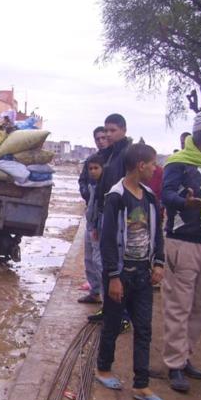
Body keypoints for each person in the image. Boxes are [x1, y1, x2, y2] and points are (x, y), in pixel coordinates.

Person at [95, 143, 166, 400]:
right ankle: (103, 370)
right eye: (153, 163)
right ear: (140, 165)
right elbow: (108, 241)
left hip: (143, 276)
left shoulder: (149, 197)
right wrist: (113, 276)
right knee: (113, 323)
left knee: (144, 329)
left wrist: (158, 263)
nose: (155, 167)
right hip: (121, 274)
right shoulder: (116, 197)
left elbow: (157, 233)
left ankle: (141, 384)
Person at [161, 111, 201, 393]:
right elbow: (166, 195)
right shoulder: (178, 163)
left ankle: (185, 355)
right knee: (179, 305)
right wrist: (184, 204)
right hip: (183, 243)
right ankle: (174, 365)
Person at [89, 113, 133, 324]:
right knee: (106, 264)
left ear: (123, 130)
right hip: (105, 215)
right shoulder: (109, 154)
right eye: (106, 130)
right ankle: (109, 309)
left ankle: (122, 316)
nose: (108, 134)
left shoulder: (127, 155)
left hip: (119, 217)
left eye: (112, 130)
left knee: (118, 265)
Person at [78, 153, 105, 304]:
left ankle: (107, 299)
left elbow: (101, 209)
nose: (93, 171)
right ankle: (95, 292)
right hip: (91, 224)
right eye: (90, 169)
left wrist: (96, 226)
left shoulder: (104, 186)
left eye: (96, 168)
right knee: (89, 259)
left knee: (98, 261)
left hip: (97, 227)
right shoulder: (92, 185)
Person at [78, 126, 109, 203]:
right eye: (97, 139)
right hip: (93, 204)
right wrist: (86, 194)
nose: (101, 141)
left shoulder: (114, 158)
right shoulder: (90, 160)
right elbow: (82, 180)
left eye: (103, 138)